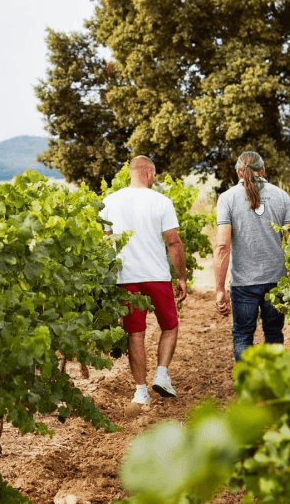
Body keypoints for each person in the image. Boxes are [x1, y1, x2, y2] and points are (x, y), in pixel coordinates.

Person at [101, 155, 187, 405]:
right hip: (157, 276)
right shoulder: (161, 201)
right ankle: (161, 374)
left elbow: (106, 244)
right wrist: (181, 276)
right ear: (149, 172)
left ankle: (140, 391)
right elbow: (173, 242)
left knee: (135, 334)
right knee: (170, 326)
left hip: (125, 278)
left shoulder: (109, 202)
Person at [213, 151, 290, 361]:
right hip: (277, 281)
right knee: (274, 334)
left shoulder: (227, 198)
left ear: (238, 172)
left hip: (243, 283)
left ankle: (247, 380)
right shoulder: (282, 196)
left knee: (243, 335)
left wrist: (220, 289)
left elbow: (222, 246)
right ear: (263, 170)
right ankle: (273, 379)